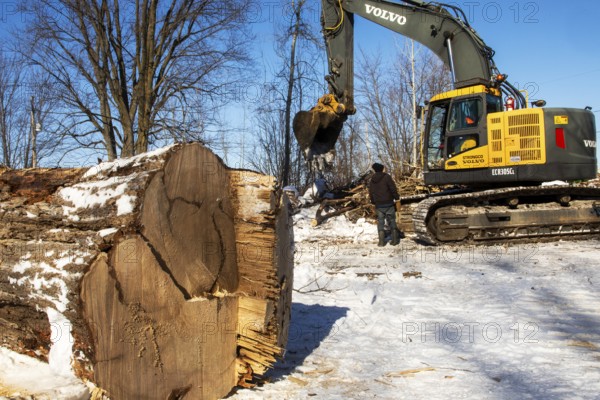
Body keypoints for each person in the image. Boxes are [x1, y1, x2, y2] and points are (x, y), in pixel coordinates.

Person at [368, 163, 400, 246]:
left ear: (375, 170)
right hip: (388, 203)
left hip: (379, 205)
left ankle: (381, 242)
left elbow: (371, 192)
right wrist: (396, 198)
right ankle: (395, 240)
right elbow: (392, 188)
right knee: (392, 221)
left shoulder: (372, 179)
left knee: (381, 223)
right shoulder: (387, 177)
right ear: (382, 169)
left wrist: (373, 201)